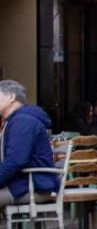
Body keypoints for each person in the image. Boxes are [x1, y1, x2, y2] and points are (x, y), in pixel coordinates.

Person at [0, 80, 58, 212]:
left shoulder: (23, 121)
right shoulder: (15, 120)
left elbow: (16, 160)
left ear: (11, 97)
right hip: (21, 183)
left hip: (31, 186)